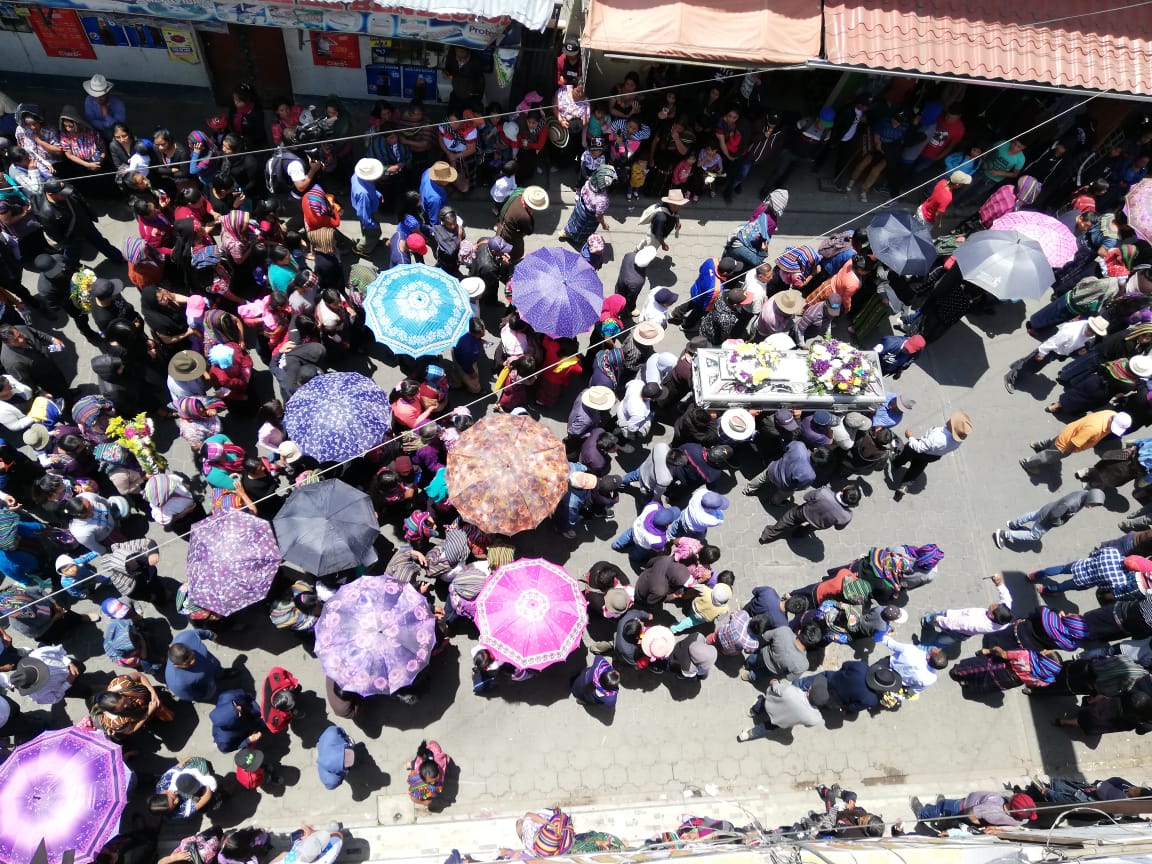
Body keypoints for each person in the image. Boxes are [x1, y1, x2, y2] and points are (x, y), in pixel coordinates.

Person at [891, 411, 972, 501]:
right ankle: (904, 485)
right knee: (918, 465)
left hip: (921, 448)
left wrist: (910, 437)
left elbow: (919, 447)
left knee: (907, 451)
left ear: (952, 427)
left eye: (952, 421)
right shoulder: (957, 442)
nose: (950, 419)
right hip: (934, 456)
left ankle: (896, 462)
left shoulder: (937, 436)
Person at [1020, 410, 1131, 474]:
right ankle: (1027, 463)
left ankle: (1037, 445)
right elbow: (1074, 443)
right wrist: (1066, 452)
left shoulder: (1110, 413)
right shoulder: (1094, 429)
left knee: (1052, 441)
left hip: (1070, 431)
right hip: (1067, 443)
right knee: (1049, 456)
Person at [921, 573, 1014, 647]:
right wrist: (999, 584)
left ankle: (926, 622)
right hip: (965, 633)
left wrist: (939, 619)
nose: (993, 604)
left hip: (954, 622)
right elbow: (1007, 598)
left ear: (991, 615)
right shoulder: (1004, 616)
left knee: (939, 621)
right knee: (950, 638)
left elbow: (956, 623)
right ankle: (942, 641)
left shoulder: (978, 623)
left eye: (993, 607)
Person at [995, 489, 1106, 548]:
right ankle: (1004, 534)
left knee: (1033, 515)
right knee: (1034, 536)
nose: (1092, 507)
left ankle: (1014, 524)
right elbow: (1054, 516)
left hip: (1048, 508)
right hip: (1048, 519)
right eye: (1092, 504)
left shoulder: (1084, 494)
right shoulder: (1072, 504)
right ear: (1090, 498)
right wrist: (1058, 523)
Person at [1029, 548, 1152, 601]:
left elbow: (1095, 553)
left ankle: (1037, 575)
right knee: (1062, 587)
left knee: (1060, 569)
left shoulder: (1113, 552)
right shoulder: (1120, 580)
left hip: (1079, 565)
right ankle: (1045, 590)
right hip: (1083, 580)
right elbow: (1103, 587)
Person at [758, 483, 861, 544]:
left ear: (844, 490)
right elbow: (838, 528)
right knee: (808, 529)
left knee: (787, 520)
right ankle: (798, 534)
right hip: (819, 523)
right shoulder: (847, 516)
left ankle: (767, 536)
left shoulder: (824, 492)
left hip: (803, 512)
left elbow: (806, 497)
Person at [737, 678, 823, 741]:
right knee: (768, 727)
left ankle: (752, 712)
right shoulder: (816, 718)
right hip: (780, 721)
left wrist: (774, 681)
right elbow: (807, 725)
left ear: (809, 690)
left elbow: (774, 686)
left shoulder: (793, 691)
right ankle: (748, 734)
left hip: (771, 705)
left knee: (764, 701)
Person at [910, 790, 1036, 832]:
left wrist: (976, 821)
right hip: (964, 808)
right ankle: (943, 817)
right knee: (947, 813)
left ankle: (922, 814)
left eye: (1016, 796)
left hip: (960, 808)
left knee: (942, 808)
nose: (1014, 794)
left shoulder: (991, 809)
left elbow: (971, 814)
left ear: (1012, 804)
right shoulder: (1022, 819)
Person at [165, 629, 226, 703]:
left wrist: (212, 636)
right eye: (187, 663)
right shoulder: (176, 683)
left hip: (214, 666)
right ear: (176, 665)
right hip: (207, 685)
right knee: (211, 694)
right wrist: (205, 695)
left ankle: (223, 674)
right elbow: (191, 696)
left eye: (193, 656)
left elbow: (202, 633)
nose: (193, 661)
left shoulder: (187, 636)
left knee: (220, 672)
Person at [495, 185, 549, 264]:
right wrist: (530, 215)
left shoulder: (518, 194)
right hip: (510, 236)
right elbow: (529, 231)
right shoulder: (524, 216)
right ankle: (509, 262)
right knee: (514, 252)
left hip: (502, 226)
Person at [407, 739, 451, 808]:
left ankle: (410, 764)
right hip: (418, 763)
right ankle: (410, 764)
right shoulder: (417, 771)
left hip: (425, 757)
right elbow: (412, 797)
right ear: (421, 777)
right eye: (430, 782)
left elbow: (434, 744)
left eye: (435, 779)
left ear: (437, 767)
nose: (433, 783)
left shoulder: (439, 760)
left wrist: (446, 758)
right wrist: (423, 802)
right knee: (414, 764)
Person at [82, 74, 127, 141]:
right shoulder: (89, 100)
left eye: (102, 95)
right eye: (96, 96)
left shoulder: (118, 104)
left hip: (112, 132)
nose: (99, 98)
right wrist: (105, 124)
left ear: (107, 93)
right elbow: (90, 120)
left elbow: (119, 126)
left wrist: (106, 116)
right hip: (94, 130)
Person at [316, 724, 355, 789]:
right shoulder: (331, 779)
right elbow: (331, 785)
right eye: (345, 765)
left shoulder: (332, 733)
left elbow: (339, 730)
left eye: (344, 752)